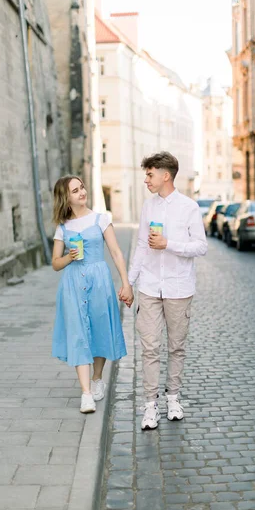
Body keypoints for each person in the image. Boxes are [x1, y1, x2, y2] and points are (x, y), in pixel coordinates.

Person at [123, 152, 208, 430]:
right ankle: (150, 406)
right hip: (148, 285)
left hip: (178, 287)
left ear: (165, 175)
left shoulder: (189, 207)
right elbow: (140, 246)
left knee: (176, 346)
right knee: (149, 348)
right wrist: (129, 283)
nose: (146, 179)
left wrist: (169, 244)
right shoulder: (148, 207)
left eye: (150, 174)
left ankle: (173, 398)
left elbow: (201, 246)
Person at [51, 175, 132, 413]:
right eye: (75, 191)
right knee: (78, 334)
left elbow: (116, 252)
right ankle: (86, 393)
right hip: (73, 283)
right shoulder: (63, 227)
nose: (82, 192)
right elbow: (55, 263)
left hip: (100, 281)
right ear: (66, 198)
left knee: (99, 331)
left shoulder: (101, 219)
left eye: (82, 187)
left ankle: (97, 378)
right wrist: (69, 257)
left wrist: (126, 284)